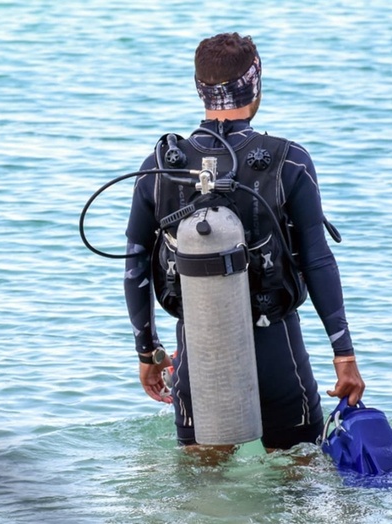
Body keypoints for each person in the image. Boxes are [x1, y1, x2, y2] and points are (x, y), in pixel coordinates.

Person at [123, 32, 365, 450]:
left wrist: (149, 353)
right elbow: (317, 259)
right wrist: (344, 356)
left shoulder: (159, 166)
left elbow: (135, 264)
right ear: (255, 83)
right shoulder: (290, 160)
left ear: (199, 87)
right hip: (278, 355)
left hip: (197, 355)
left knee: (202, 484)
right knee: (297, 478)